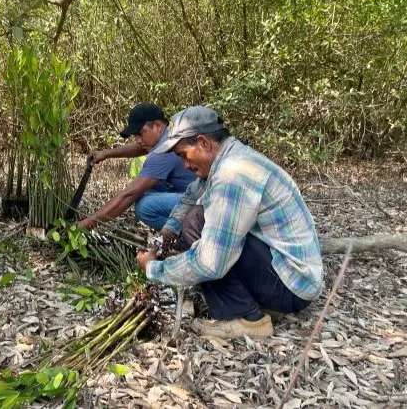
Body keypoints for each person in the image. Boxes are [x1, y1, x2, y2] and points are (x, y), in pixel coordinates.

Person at [136, 106, 323, 339]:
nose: (184, 165)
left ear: (203, 143)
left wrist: (154, 268)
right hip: (290, 276)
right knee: (193, 215)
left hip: (293, 286)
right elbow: (189, 197)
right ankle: (259, 304)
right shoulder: (229, 158)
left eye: (183, 155)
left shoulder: (233, 174)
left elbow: (210, 262)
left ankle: (248, 319)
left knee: (196, 222)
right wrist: (167, 233)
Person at [80, 103, 196, 231]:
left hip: (198, 201)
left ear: (157, 126)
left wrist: (86, 225)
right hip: (193, 193)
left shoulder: (162, 153)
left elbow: (128, 196)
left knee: (145, 207)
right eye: (135, 136)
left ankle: (186, 235)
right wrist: (106, 154)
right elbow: (140, 147)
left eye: (140, 134)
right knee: (148, 190)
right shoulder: (169, 134)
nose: (138, 140)